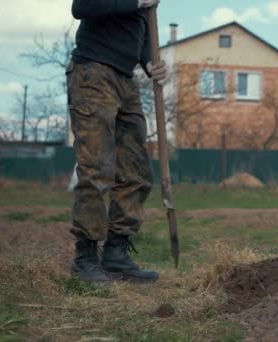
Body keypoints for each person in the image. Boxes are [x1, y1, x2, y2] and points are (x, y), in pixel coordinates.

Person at [67, 0, 167, 283]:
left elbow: (142, 29)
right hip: (93, 72)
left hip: (126, 79)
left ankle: (116, 254)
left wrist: (149, 61)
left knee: (136, 172)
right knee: (96, 167)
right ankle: (85, 259)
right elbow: (82, 6)